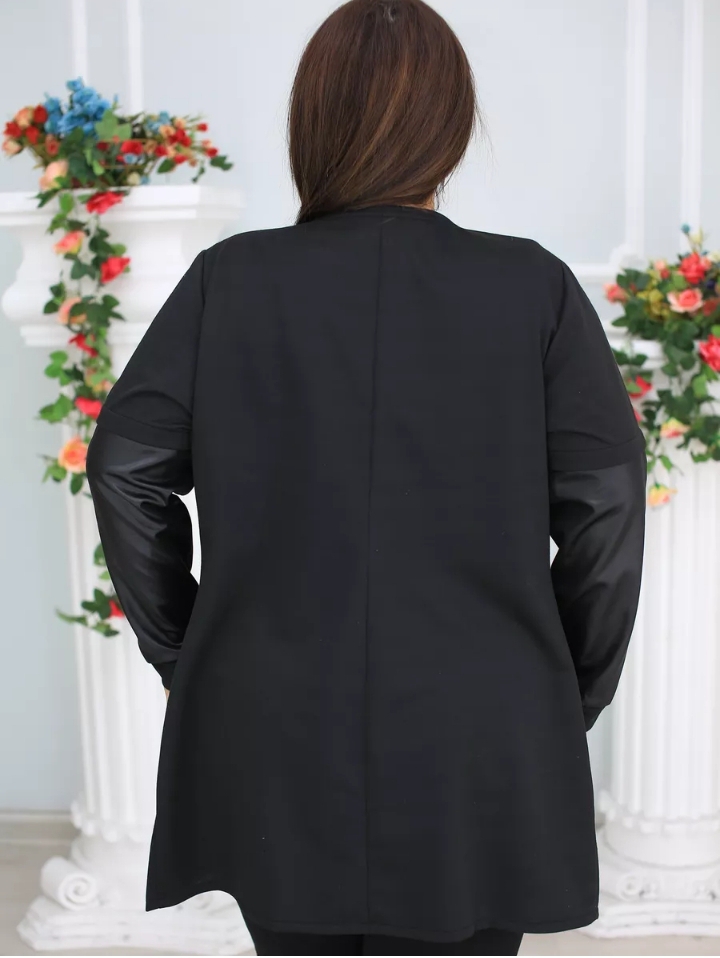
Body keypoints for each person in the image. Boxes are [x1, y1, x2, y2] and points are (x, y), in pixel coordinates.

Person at [85, 0, 646, 954]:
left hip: (273, 720)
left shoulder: (232, 280)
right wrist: (564, 691)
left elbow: (124, 468)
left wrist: (191, 653)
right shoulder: (533, 285)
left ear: (314, 120)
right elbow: (607, 504)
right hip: (485, 728)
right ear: (450, 123)